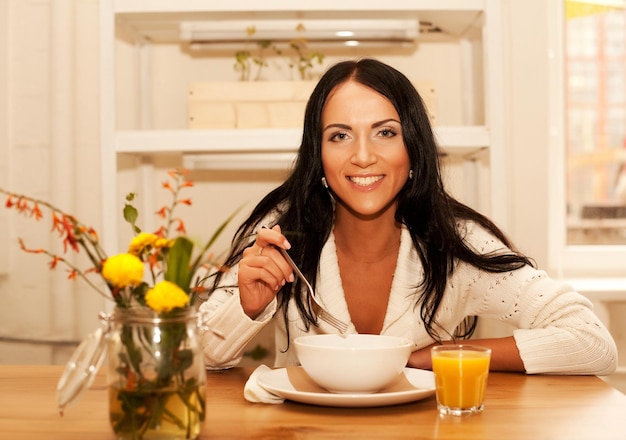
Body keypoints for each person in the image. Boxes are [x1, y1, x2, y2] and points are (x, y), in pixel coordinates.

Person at [199, 58, 617, 375]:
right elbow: (203, 357)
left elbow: (592, 342)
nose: (363, 156)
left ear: (413, 149)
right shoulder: (283, 235)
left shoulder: (457, 244)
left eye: (385, 132)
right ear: (319, 156)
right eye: (340, 136)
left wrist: (437, 356)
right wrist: (247, 307)